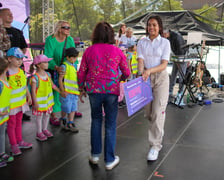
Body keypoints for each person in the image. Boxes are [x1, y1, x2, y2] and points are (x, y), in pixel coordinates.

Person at [78, 21, 130, 170]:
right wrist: (120, 79)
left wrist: (81, 87)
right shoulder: (117, 51)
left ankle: (94, 155)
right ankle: (109, 160)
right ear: (111, 35)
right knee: (110, 125)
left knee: (95, 120)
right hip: (111, 91)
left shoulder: (89, 51)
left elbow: (81, 72)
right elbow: (126, 72)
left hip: (93, 90)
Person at [137, 16, 171, 161]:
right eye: (149, 25)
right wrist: (141, 74)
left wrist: (149, 71)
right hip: (146, 78)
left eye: (154, 25)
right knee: (149, 113)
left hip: (161, 78)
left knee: (158, 111)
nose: (151, 27)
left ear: (160, 27)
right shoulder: (142, 42)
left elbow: (164, 65)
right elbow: (140, 61)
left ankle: (155, 145)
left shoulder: (165, 42)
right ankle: (158, 128)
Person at [44, 20, 82, 126]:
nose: (68, 30)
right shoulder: (50, 40)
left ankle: (70, 110)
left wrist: (74, 70)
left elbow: (73, 54)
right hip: (53, 67)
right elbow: (48, 56)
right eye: (66, 27)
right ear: (60, 29)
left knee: (68, 90)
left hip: (66, 67)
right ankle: (52, 115)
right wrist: (56, 67)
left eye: (69, 27)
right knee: (54, 91)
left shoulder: (69, 39)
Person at [6, 47, 32, 156]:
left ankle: (20, 141)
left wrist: (29, 95)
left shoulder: (21, 71)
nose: (20, 61)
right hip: (11, 105)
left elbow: (25, 86)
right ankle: (13, 145)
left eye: (21, 59)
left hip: (21, 103)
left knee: (18, 123)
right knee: (11, 125)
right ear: (9, 59)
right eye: (17, 59)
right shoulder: (6, 73)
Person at [29, 55, 62, 141]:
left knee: (47, 115)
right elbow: (33, 91)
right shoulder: (34, 78)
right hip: (39, 103)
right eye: (45, 62)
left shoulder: (48, 74)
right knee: (39, 117)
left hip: (47, 101)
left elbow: (52, 85)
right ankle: (39, 132)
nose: (47, 64)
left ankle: (45, 129)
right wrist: (35, 102)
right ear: (38, 65)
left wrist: (60, 91)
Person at [58, 47, 80, 133]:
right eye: (73, 57)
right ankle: (63, 119)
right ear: (68, 57)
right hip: (66, 92)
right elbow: (60, 79)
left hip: (74, 92)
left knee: (73, 108)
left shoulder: (73, 66)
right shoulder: (64, 66)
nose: (75, 59)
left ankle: (70, 122)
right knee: (66, 107)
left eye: (76, 57)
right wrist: (62, 91)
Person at [163, 29, 187, 102]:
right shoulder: (169, 37)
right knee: (173, 75)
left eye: (164, 35)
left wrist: (176, 58)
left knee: (181, 76)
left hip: (181, 57)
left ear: (167, 33)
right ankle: (170, 91)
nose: (164, 36)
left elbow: (181, 50)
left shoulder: (177, 37)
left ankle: (180, 92)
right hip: (176, 57)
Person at [0, 58, 14, 168]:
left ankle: (2, 153)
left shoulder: (4, 80)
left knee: (1, 135)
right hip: (1, 114)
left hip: (3, 115)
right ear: (5, 69)